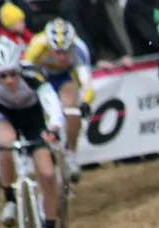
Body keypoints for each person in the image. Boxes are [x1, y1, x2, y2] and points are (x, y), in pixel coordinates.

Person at [0, 36, 67, 228]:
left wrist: (54, 128)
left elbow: (51, 103)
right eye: (2, 76)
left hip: (32, 115)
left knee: (46, 175)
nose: (9, 80)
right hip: (4, 114)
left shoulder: (33, 73)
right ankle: (10, 201)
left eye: (13, 74)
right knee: (5, 143)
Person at [23, 18, 93, 182]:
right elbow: (24, 72)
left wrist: (85, 102)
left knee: (73, 111)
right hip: (40, 79)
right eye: (57, 52)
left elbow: (87, 83)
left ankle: (71, 155)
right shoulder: (37, 44)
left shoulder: (80, 48)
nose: (62, 57)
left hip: (63, 78)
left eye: (66, 52)